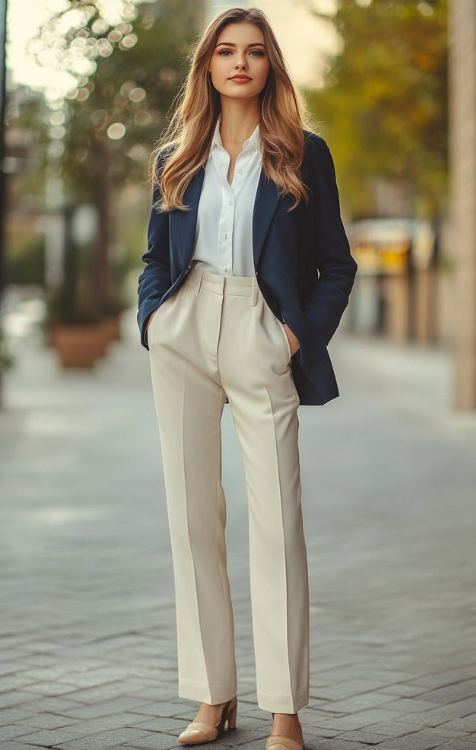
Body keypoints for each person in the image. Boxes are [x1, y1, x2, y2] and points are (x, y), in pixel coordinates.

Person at [137, 7, 358, 750]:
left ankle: (285, 710)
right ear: (207, 66)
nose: (239, 63)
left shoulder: (303, 152)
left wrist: (297, 333)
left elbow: (337, 263)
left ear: (270, 66)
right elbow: (153, 259)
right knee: (193, 521)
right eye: (226, 52)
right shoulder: (179, 155)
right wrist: (153, 322)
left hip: (263, 328)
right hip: (186, 323)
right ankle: (212, 697)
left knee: (278, 523)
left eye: (254, 52)